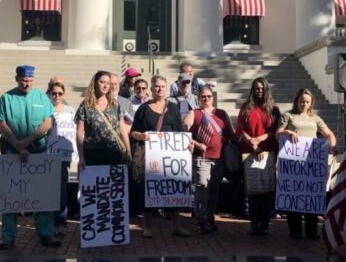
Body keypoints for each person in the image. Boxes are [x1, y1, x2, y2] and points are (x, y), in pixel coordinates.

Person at [0, 65, 58, 250]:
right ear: (17, 78)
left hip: (37, 152)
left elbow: (48, 122)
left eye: (30, 80)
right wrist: (17, 144)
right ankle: (8, 237)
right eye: (24, 80)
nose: (27, 83)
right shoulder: (6, 98)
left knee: (42, 195)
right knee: (10, 196)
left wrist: (29, 140)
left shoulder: (41, 97)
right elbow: (1, 123)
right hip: (11, 153)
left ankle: (46, 233)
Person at [131, 75, 190, 238]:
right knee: (149, 192)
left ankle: (176, 226)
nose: (160, 89)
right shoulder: (143, 109)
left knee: (173, 192)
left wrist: (188, 144)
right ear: (151, 88)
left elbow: (180, 133)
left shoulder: (173, 108)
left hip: (171, 159)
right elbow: (133, 133)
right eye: (157, 86)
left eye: (163, 86)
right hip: (151, 159)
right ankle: (147, 227)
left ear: (166, 88)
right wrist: (142, 136)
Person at [277, 88, 337, 240]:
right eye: (301, 101)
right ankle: (295, 230)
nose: (304, 104)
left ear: (311, 103)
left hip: (311, 162)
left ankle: (311, 230)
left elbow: (329, 134)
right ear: (296, 101)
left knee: (310, 195)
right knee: (294, 196)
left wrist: (331, 144)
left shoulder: (315, 119)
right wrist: (288, 133)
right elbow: (278, 134)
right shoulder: (288, 116)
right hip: (292, 162)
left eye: (307, 102)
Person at [184, 86, 234, 234]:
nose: (206, 99)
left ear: (213, 98)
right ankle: (200, 219)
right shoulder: (195, 113)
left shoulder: (221, 113)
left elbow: (230, 134)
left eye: (209, 96)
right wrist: (197, 144)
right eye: (203, 96)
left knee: (214, 190)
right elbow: (184, 132)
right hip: (202, 158)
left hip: (219, 158)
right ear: (199, 98)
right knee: (202, 189)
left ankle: (209, 217)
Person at [236, 77, 280, 236]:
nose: (259, 91)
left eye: (262, 88)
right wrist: (253, 145)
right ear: (252, 90)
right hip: (249, 153)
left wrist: (259, 141)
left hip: (267, 153)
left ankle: (265, 223)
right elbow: (240, 129)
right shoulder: (246, 107)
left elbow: (274, 131)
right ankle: (254, 223)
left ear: (266, 89)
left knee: (267, 191)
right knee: (253, 190)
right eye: (256, 88)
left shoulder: (273, 109)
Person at [75, 70, 131, 167]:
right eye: (102, 82)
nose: (105, 86)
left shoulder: (115, 105)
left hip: (114, 153)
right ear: (95, 83)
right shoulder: (85, 105)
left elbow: (122, 129)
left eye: (108, 83)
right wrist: (81, 157)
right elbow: (80, 132)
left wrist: (128, 150)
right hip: (92, 154)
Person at [47, 79, 75, 236]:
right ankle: (49, 222)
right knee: (49, 189)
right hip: (47, 155)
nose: (57, 96)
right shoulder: (45, 109)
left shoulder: (70, 110)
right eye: (54, 93)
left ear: (64, 94)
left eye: (60, 93)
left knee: (62, 190)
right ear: (49, 94)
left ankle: (61, 222)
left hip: (63, 156)